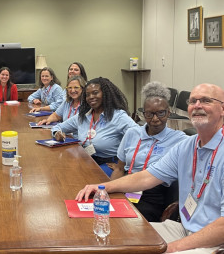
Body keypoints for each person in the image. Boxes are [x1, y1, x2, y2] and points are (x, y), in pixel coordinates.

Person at [76, 83, 224, 253]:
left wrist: (167, 248)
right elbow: (147, 177)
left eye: (206, 100)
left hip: (214, 241)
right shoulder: (187, 146)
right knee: (119, 237)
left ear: (222, 109)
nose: (197, 106)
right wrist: (102, 187)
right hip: (183, 228)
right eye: (193, 101)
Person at [111, 81, 187, 222]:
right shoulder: (132, 133)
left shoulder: (179, 139)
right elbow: (119, 168)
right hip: (127, 184)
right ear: (143, 113)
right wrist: (110, 192)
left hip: (153, 193)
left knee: (130, 222)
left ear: (168, 112)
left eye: (161, 113)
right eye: (150, 114)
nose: (155, 119)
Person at [51, 77, 137, 176]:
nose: (91, 97)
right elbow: (58, 127)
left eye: (95, 93)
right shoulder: (83, 116)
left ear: (106, 94)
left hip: (108, 164)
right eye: (87, 95)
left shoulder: (118, 116)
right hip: (86, 160)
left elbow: (139, 137)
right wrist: (57, 133)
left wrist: (123, 165)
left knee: (83, 178)